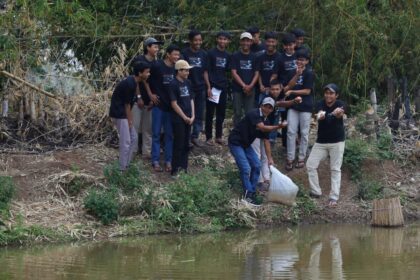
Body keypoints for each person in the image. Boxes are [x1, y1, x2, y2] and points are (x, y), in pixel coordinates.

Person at [228, 97, 286, 206]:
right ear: (261, 106)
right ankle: (247, 195)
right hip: (236, 142)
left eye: (270, 108)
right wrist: (279, 126)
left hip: (245, 144)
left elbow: (266, 141)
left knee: (257, 165)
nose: (267, 109)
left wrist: (270, 158)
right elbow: (262, 128)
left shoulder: (266, 120)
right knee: (246, 168)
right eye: (265, 106)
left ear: (272, 110)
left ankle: (252, 192)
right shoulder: (254, 113)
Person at [251, 79, 302, 189]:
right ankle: (258, 181)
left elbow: (287, 91)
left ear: (280, 89)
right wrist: (293, 101)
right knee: (257, 155)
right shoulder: (265, 98)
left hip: (267, 131)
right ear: (269, 89)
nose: (275, 91)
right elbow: (280, 103)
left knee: (265, 156)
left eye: (277, 89)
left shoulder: (280, 95)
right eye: (273, 89)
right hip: (256, 131)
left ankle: (266, 179)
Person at [306, 84, 346, 207]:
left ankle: (334, 197)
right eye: (327, 93)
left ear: (336, 95)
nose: (328, 95)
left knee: (335, 169)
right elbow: (319, 114)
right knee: (310, 165)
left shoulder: (340, 104)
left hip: (337, 142)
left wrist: (337, 113)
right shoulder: (320, 103)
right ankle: (316, 191)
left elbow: (340, 113)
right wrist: (321, 115)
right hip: (321, 142)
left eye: (331, 93)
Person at [109, 61, 150, 171]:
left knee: (134, 138)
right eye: (147, 72)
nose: (148, 74)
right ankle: (122, 169)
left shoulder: (134, 81)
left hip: (124, 113)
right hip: (120, 114)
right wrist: (130, 121)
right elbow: (127, 105)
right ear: (140, 73)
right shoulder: (129, 84)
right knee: (126, 141)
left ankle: (126, 164)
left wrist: (139, 96)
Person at [149, 45, 181, 172]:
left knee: (169, 135)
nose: (176, 57)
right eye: (174, 54)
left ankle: (168, 161)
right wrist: (150, 95)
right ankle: (155, 160)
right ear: (168, 54)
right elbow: (147, 80)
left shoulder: (177, 68)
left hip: (171, 107)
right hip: (158, 105)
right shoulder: (157, 66)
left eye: (178, 55)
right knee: (156, 133)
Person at [131, 37, 163, 158]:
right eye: (155, 46)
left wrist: (152, 99)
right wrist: (139, 97)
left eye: (157, 47)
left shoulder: (156, 63)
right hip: (137, 99)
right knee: (135, 126)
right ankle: (132, 151)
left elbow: (155, 83)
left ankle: (147, 152)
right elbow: (136, 81)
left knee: (148, 128)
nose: (157, 49)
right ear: (147, 47)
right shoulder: (139, 60)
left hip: (150, 101)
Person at [285, 48, 314, 171]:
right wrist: (297, 74)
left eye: (302, 60)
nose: (299, 62)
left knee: (304, 133)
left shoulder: (310, 73)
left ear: (307, 61)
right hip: (293, 106)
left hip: (305, 106)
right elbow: (288, 87)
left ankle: (301, 157)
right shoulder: (292, 71)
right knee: (291, 132)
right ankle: (290, 158)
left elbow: (307, 91)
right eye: (298, 60)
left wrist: (292, 91)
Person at [271, 33, 300, 149]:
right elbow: (274, 75)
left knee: (297, 116)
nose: (289, 47)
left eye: (291, 45)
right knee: (284, 117)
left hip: (297, 90)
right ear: (283, 46)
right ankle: (285, 143)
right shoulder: (279, 58)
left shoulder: (299, 56)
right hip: (283, 92)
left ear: (295, 44)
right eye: (286, 45)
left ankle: (297, 141)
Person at [181, 30, 208, 147]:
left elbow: (205, 71)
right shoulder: (184, 53)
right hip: (188, 87)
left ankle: (195, 136)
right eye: (196, 40)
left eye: (200, 40)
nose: (198, 42)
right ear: (190, 41)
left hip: (201, 87)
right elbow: (181, 71)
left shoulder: (203, 54)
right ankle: (186, 137)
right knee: (187, 112)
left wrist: (208, 87)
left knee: (199, 113)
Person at [205, 31, 231, 146]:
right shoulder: (210, 53)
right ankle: (208, 137)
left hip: (223, 86)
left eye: (225, 39)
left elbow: (228, 71)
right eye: (220, 39)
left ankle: (219, 136)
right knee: (210, 113)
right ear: (217, 39)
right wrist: (208, 87)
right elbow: (206, 71)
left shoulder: (227, 55)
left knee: (221, 113)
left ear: (228, 41)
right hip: (212, 86)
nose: (222, 41)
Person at [169, 60, 195, 175]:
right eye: (186, 70)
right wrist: (184, 117)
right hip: (179, 118)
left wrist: (193, 115)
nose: (188, 72)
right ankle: (175, 169)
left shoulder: (188, 83)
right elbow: (174, 103)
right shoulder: (173, 84)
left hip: (189, 118)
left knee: (186, 143)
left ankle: (184, 168)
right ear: (179, 71)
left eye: (188, 70)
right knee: (178, 143)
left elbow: (191, 99)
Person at [231, 32, 259, 125]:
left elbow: (257, 73)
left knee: (249, 112)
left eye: (248, 41)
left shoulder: (254, 56)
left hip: (251, 88)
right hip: (237, 88)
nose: (245, 43)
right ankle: (236, 132)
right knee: (237, 112)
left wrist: (250, 86)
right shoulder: (235, 55)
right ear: (240, 42)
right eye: (243, 40)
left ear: (251, 42)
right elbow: (234, 72)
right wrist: (244, 85)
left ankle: (248, 133)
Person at [257, 31, 280, 104]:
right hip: (263, 90)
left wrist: (273, 88)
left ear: (276, 42)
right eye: (268, 41)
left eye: (272, 42)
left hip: (277, 91)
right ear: (265, 42)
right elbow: (258, 72)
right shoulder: (260, 57)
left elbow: (282, 74)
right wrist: (261, 85)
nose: (270, 44)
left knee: (278, 111)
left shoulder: (280, 57)